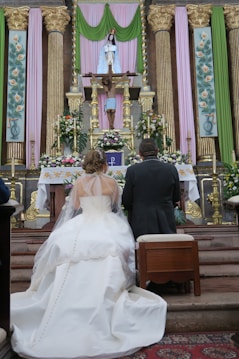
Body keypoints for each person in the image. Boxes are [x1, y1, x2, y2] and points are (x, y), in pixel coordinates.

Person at [10, 149, 167, 359]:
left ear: (85, 163)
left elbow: (75, 207)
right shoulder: (112, 183)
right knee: (113, 245)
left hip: (82, 224)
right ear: (104, 164)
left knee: (67, 247)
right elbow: (115, 206)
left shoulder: (79, 184)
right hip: (107, 222)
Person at [122, 138, 181, 240]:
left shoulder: (133, 171)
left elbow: (126, 200)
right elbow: (176, 197)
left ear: (140, 154)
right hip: (166, 221)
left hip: (141, 222)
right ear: (157, 151)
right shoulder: (171, 169)